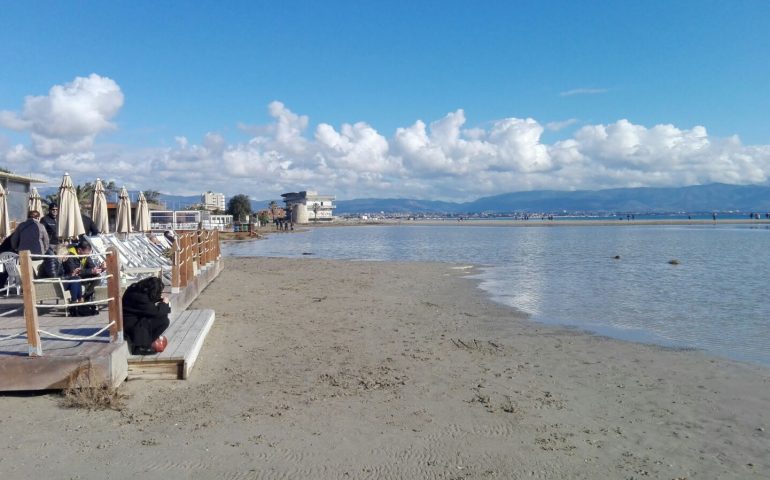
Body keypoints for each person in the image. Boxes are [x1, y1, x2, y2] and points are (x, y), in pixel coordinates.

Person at [122, 276, 170, 355]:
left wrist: (158, 299)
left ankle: (146, 342)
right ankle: (140, 347)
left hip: (132, 320)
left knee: (162, 318)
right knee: (164, 321)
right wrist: (164, 303)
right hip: (131, 325)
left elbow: (148, 303)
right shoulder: (140, 297)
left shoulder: (136, 289)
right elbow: (156, 312)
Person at [62, 239, 104, 314]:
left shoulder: (85, 254)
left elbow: (92, 266)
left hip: (81, 277)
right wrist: (91, 271)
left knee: (98, 277)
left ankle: (84, 297)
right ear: (79, 250)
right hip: (71, 279)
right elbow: (74, 272)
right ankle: (82, 300)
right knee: (78, 278)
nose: (86, 256)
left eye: (87, 255)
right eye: (85, 254)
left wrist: (100, 268)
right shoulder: (70, 256)